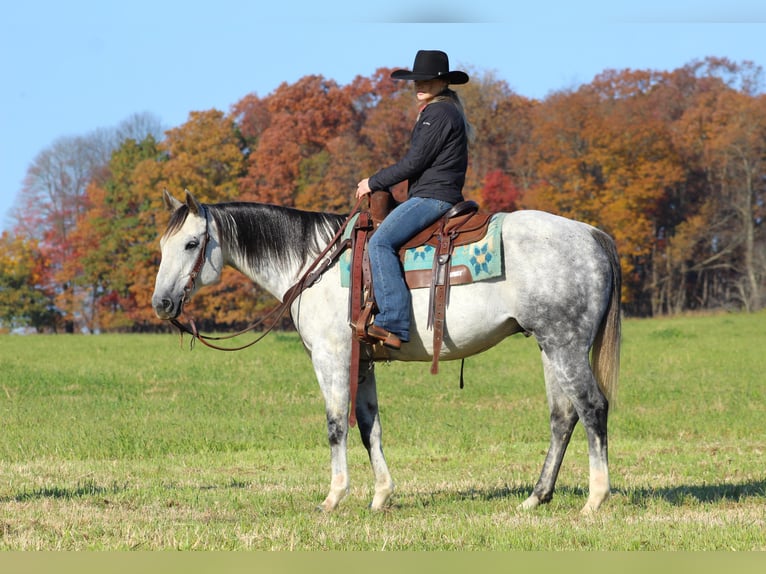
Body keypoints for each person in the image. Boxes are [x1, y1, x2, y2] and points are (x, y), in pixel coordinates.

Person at [356, 49, 472, 350]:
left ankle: (392, 322)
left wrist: (373, 181)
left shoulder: (438, 113)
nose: (419, 85)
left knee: (380, 242)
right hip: (435, 194)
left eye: (427, 80)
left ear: (443, 82)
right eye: (416, 80)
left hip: (433, 197)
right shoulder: (444, 111)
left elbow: (413, 163)